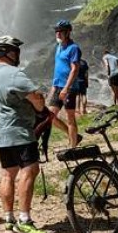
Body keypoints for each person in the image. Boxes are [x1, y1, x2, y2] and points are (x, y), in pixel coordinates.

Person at [0, 35, 49, 233]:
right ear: (7, 53)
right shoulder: (14, 74)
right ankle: (25, 220)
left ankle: (9, 219)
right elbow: (36, 98)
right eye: (15, 50)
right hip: (19, 131)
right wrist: (40, 109)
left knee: (8, 174)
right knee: (30, 170)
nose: (18, 54)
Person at [49, 19, 81, 148]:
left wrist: (66, 88)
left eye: (61, 31)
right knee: (50, 116)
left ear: (68, 32)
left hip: (69, 88)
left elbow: (75, 69)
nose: (58, 33)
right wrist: (54, 86)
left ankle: (73, 147)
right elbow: (58, 68)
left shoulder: (74, 48)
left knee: (70, 118)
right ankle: (74, 136)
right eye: (56, 31)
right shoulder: (58, 47)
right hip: (58, 86)